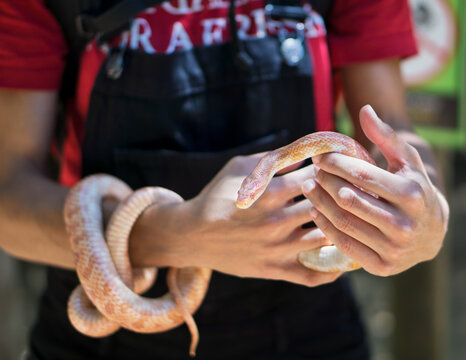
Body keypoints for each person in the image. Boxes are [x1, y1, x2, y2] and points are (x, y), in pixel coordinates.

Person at [0, 0, 449, 359]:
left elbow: (392, 133)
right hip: (102, 332)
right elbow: (8, 195)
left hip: (310, 329)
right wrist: (176, 231)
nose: (246, 197)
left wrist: (427, 212)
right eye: (249, 193)